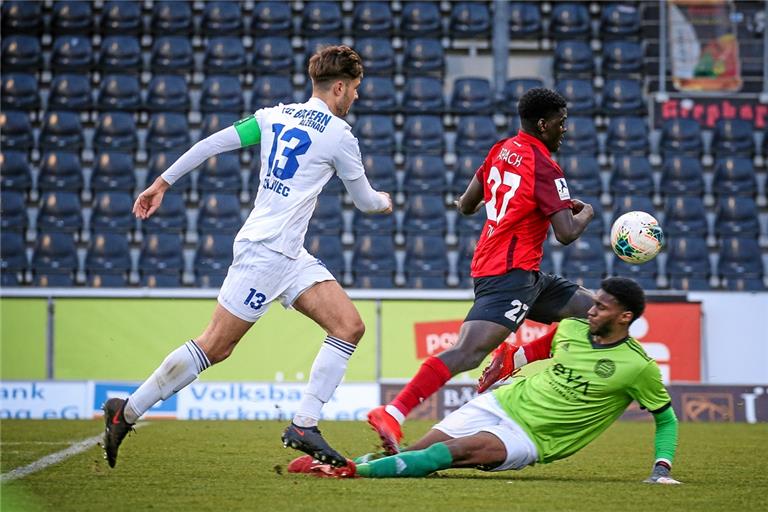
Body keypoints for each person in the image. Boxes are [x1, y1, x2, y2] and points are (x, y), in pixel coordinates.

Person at [102, 45, 392, 469]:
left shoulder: (273, 116)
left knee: (348, 326)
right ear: (341, 87)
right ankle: (125, 412)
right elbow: (365, 202)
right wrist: (385, 201)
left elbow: (210, 144)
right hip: (266, 253)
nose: (357, 99)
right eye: (356, 91)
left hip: (287, 252)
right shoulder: (339, 135)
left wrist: (162, 182)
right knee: (215, 346)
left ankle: (304, 425)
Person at [368, 87, 596, 453]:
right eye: (560, 123)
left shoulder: (500, 150)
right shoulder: (546, 166)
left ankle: (513, 357)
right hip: (507, 274)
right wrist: (585, 212)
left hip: (524, 273)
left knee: (596, 312)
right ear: (543, 124)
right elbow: (567, 233)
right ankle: (394, 411)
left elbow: (466, 206)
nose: (564, 130)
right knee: (468, 352)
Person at [290, 278, 681, 485]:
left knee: (444, 457)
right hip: (500, 403)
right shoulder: (573, 329)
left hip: (530, 438)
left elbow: (666, 418)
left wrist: (661, 468)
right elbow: (538, 349)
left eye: (601, 307)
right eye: (593, 303)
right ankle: (341, 464)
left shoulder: (638, 366)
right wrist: (506, 363)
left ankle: (349, 472)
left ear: (625, 317)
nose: (590, 310)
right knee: (413, 453)